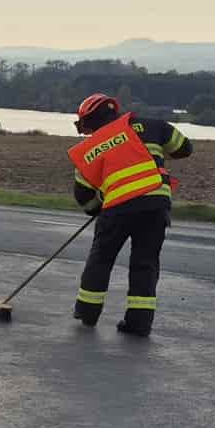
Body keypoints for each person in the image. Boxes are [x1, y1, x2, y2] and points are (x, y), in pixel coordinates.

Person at [67, 94, 193, 337]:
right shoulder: (154, 126)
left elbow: (83, 195)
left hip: (117, 209)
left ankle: (87, 313)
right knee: (145, 264)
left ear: (88, 122)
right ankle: (139, 324)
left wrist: (97, 208)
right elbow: (184, 148)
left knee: (101, 259)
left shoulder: (90, 148)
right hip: (155, 205)